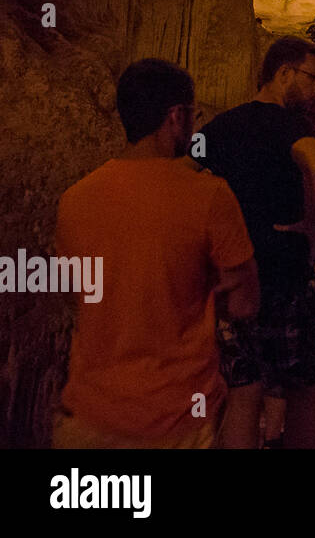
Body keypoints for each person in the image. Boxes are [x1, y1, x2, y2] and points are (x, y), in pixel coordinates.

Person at [53, 59, 259, 448]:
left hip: (88, 414)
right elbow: (246, 303)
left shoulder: (74, 199)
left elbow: (81, 292)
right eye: (192, 114)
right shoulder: (209, 195)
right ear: (176, 117)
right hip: (175, 417)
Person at [199, 37, 315, 449]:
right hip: (286, 277)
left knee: (243, 388)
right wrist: (312, 224)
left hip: (235, 279)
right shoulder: (294, 125)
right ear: (284, 74)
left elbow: (185, 170)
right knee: (304, 387)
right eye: (312, 77)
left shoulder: (222, 126)